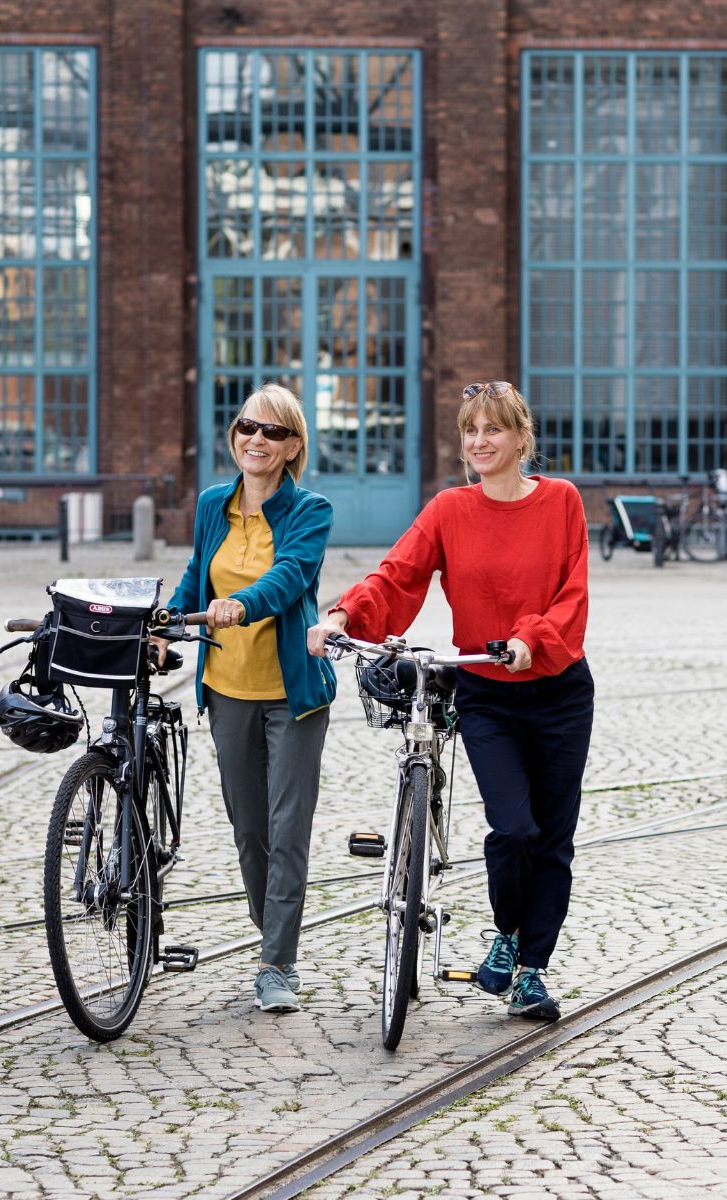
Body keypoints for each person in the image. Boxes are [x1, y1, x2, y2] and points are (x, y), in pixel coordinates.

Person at [308, 381, 591, 1022]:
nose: (479, 441)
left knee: (552, 838)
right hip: (488, 694)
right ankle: (507, 932)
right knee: (512, 826)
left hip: (559, 690)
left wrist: (528, 639)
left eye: (493, 429)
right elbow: (398, 574)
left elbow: (571, 596)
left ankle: (530, 968)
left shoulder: (562, 503)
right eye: (470, 431)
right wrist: (344, 616)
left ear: (522, 438)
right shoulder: (449, 510)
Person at [155, 383, 335, 1014]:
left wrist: (242, 604)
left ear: (292, 448)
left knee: (288, 828)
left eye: (273, 432)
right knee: (249, 828)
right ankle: (273, 934)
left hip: (293, 692)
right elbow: (193, 575)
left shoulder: (309, 510)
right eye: (246, 427)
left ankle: (276, 962)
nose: (256, 439)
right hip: (227, 690)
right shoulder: (213, 505)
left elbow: (291, 577)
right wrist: (167, 622)